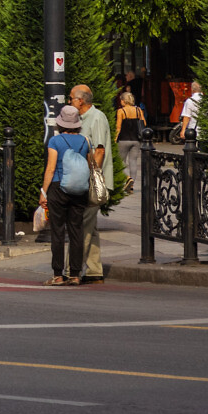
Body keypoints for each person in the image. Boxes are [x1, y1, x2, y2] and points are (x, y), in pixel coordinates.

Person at [40, 104, 93, 286]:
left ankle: (58, 274)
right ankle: (76, 274)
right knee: (76, 231)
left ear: (60, 123)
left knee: (58, 231)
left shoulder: (55, 141)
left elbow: (51, 168)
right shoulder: (86, 141)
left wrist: (43, 191)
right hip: (79, 190)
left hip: (58, 187)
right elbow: (89, 165)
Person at [70, 85, 111, 284]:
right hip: (89, 178)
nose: (69, 102)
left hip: (92, 180)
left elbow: (100, 151)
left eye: (71, 98)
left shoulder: (96, 117)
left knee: (82, 225)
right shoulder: (85, 118)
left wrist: (91, 176)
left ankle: (73, 269)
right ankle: (95, 270)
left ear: (81, 101)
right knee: (90, 225)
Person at [115, 91, 147, 196]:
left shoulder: (121, 111)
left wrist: (114, 138)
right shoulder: (138, 110)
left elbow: (118, 127)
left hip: (124, 139)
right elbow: (144, 123)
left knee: (121, 161)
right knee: (133, 161)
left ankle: (127, 178)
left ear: (124, 101)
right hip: (136, 139)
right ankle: (132, 186)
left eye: (121, 100)